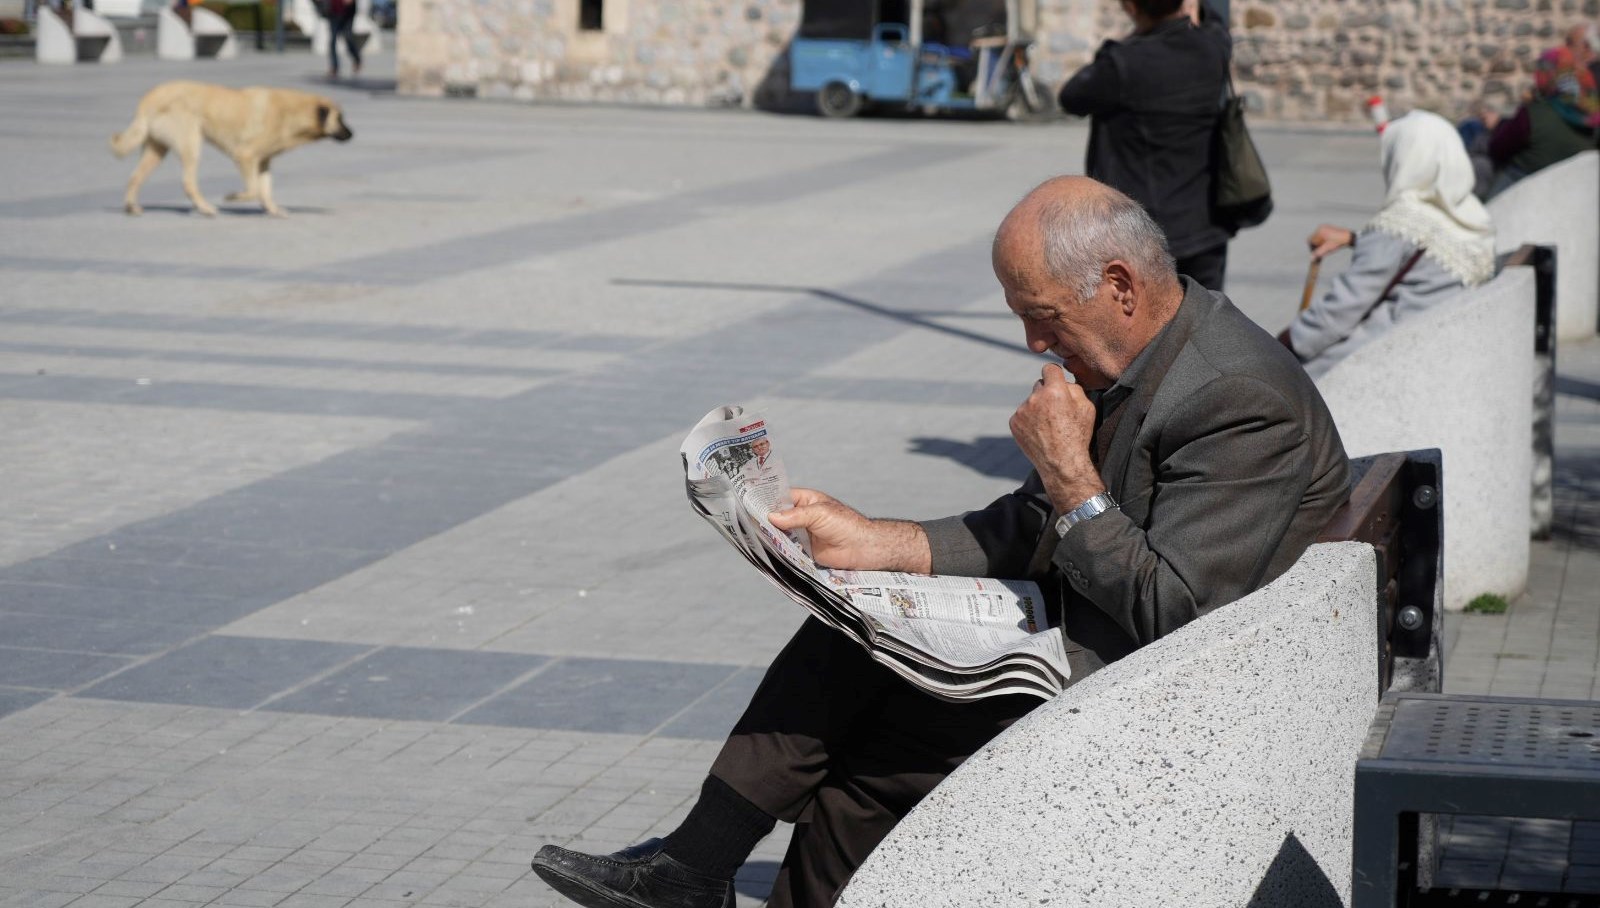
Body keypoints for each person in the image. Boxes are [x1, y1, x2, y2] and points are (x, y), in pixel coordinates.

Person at [530, 176, 1351, 908]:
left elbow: (1176, 612)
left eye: (1043, 317)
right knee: (850, 627)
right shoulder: (1144, 358)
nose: (1035, 343)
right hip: (1121, 647)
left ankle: (692, 870)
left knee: (872, 753)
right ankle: (692, 869)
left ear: (1119, 286)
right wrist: (878, 544)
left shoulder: (1234, 396)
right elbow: (1032, 526)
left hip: (1177, 701)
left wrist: (1071, 475)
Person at [1282, 110, 1496, 379]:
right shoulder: (1471, 216)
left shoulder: (1402, 220)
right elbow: (1422, 253)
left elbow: (1342, 310)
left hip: (1380, 359)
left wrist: (1284, 345)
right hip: (1441, 349)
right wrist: (1355, 238)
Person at [1056, 0, 1234, 292]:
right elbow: (1215, 20)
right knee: (1206, 328)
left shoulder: (1122, 63)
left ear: (1130, 7)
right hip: (1205, 224)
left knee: (1145, 331)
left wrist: (1132, 38)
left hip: (1141, 233)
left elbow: (1072, 96)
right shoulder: (1212, 47)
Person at [1487, 46, 1600, 197]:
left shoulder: (1535, 112)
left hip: (1522, 184)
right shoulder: (1592, 117)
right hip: (1575, 190)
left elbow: (1497, 149)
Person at [323, 0, 361, 79]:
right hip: (334, 12)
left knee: (348, 38)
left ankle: (357, 59)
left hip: (347, 12)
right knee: (332, 41)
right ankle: (334, 67)